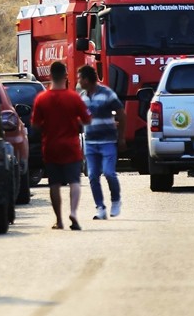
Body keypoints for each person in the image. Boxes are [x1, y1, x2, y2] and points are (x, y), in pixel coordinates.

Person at [30, 60, 90, 231]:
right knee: (74, 182)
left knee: (54, 184)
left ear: (50, 76)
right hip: (71, 146)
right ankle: (74, 213)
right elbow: (86, 120)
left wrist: (46, 128)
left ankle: (59, 220)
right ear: (65, 76)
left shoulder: (42, 98)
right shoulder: (74, 97)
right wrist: (75, 123)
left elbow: (35, 124)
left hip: (50, 146)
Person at [77, 65, 126, 220]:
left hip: (107, 142)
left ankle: (116, 200)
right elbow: (79, 117)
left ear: (86, 79)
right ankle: (100, 207)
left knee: (109, 173)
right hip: (90, 143)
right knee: (92, 176)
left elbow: (121, 114)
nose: (78, 81)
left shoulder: (107, 94)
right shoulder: (82, 97)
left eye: (80, 78)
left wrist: (121, 137)